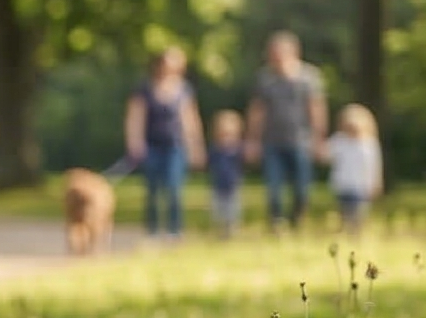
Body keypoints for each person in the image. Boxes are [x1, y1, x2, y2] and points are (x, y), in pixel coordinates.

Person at [246, 31, 327, 228]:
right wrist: (253, 140)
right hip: (272, 141)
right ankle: (276, 221)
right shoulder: (265, 79)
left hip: (301, 140)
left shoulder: (309, 77)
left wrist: (319, 138)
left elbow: (316, 109)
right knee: (273, 186)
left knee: (301, 186)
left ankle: (297, 219)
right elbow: (257, 112)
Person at [124, 47, 204, 239]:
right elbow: (135, 117)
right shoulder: (144, 88)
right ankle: (151, 229)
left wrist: (196, 146)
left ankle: (174, 229)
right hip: (151, 145)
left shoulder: (184, 89)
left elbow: (190, 120)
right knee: (152, 189)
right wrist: (134, 142)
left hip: (176, 146)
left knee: (174, 188)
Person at [328, 104, 383, 234]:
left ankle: (356, 232)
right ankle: (345, 231)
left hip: (361, 184)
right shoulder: (339, 141)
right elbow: (327, 154)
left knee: (359, 212)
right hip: (343, 183)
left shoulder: (369, 143)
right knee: (344, 210)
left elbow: (374, 165)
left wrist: (375, 183)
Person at [207, 109, 246, 237]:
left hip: (233, 185)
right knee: (218, 209)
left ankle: (232, 228)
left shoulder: (238, 149)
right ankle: (221, 230)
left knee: (233, 209)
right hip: (218, 185)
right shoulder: (214, 149)